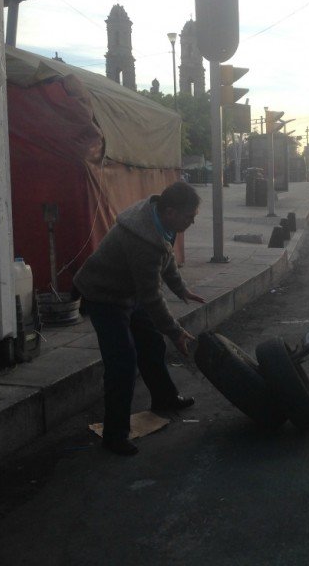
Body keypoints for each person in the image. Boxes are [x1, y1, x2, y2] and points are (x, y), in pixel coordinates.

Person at [73, 182, 205, 456]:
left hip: (127, 291)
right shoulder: (142, 239)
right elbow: (152, 297)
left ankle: (165, 398)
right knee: (123, 363)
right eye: (188, 217)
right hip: (104, 296)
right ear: (169, 211)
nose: (192, 222)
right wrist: (176, 331)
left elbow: (165, 258)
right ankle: (114, 436)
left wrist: (182, 290)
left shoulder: (160, 221)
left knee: (152, 344)